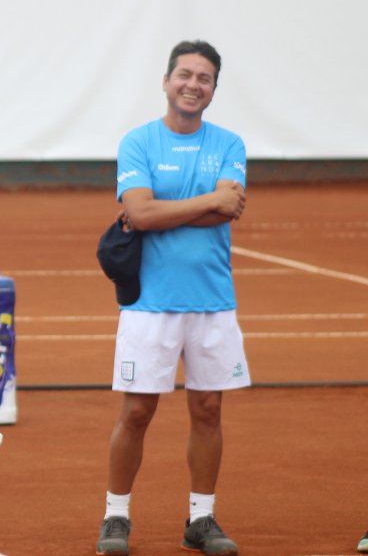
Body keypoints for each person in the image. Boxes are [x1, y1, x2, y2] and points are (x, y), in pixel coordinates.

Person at [95, 40, 248, 556]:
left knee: (208, 409)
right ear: (166, 81)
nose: (193, 85)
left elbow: (223, 210)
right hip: (149, 303)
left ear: (213, 90)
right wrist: (208, 202)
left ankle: (200, 520)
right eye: (185, 74)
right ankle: (116, 516)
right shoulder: (138, 142)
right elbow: (139, 215)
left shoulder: (230, 144)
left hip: (213, 300)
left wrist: (163, 210)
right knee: (136, 412)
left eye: (204, 78)